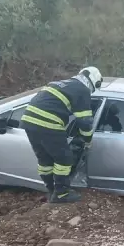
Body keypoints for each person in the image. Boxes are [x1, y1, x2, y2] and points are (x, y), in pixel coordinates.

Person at [19, 66, 103, 203]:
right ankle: (61, 193)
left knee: (45, 160)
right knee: (64, 159)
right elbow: (85, 121)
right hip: (47, 122)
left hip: (29, 121)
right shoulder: (82, 90)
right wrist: (87, 140)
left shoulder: (61, 83)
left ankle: (51, 189)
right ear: (95, 81)